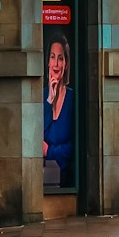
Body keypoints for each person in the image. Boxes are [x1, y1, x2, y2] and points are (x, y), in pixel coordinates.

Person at [43, 32, 74, 187]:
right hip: (43, 176)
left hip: (67, 176)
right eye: (52, 57)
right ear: (48, 62)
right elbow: (38, 138)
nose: (55, 64)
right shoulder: (42, 97)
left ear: (66, 64)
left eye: (60, 58)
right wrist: (50, 99)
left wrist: (50, 152)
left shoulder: (72, 99)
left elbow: (74, 146)